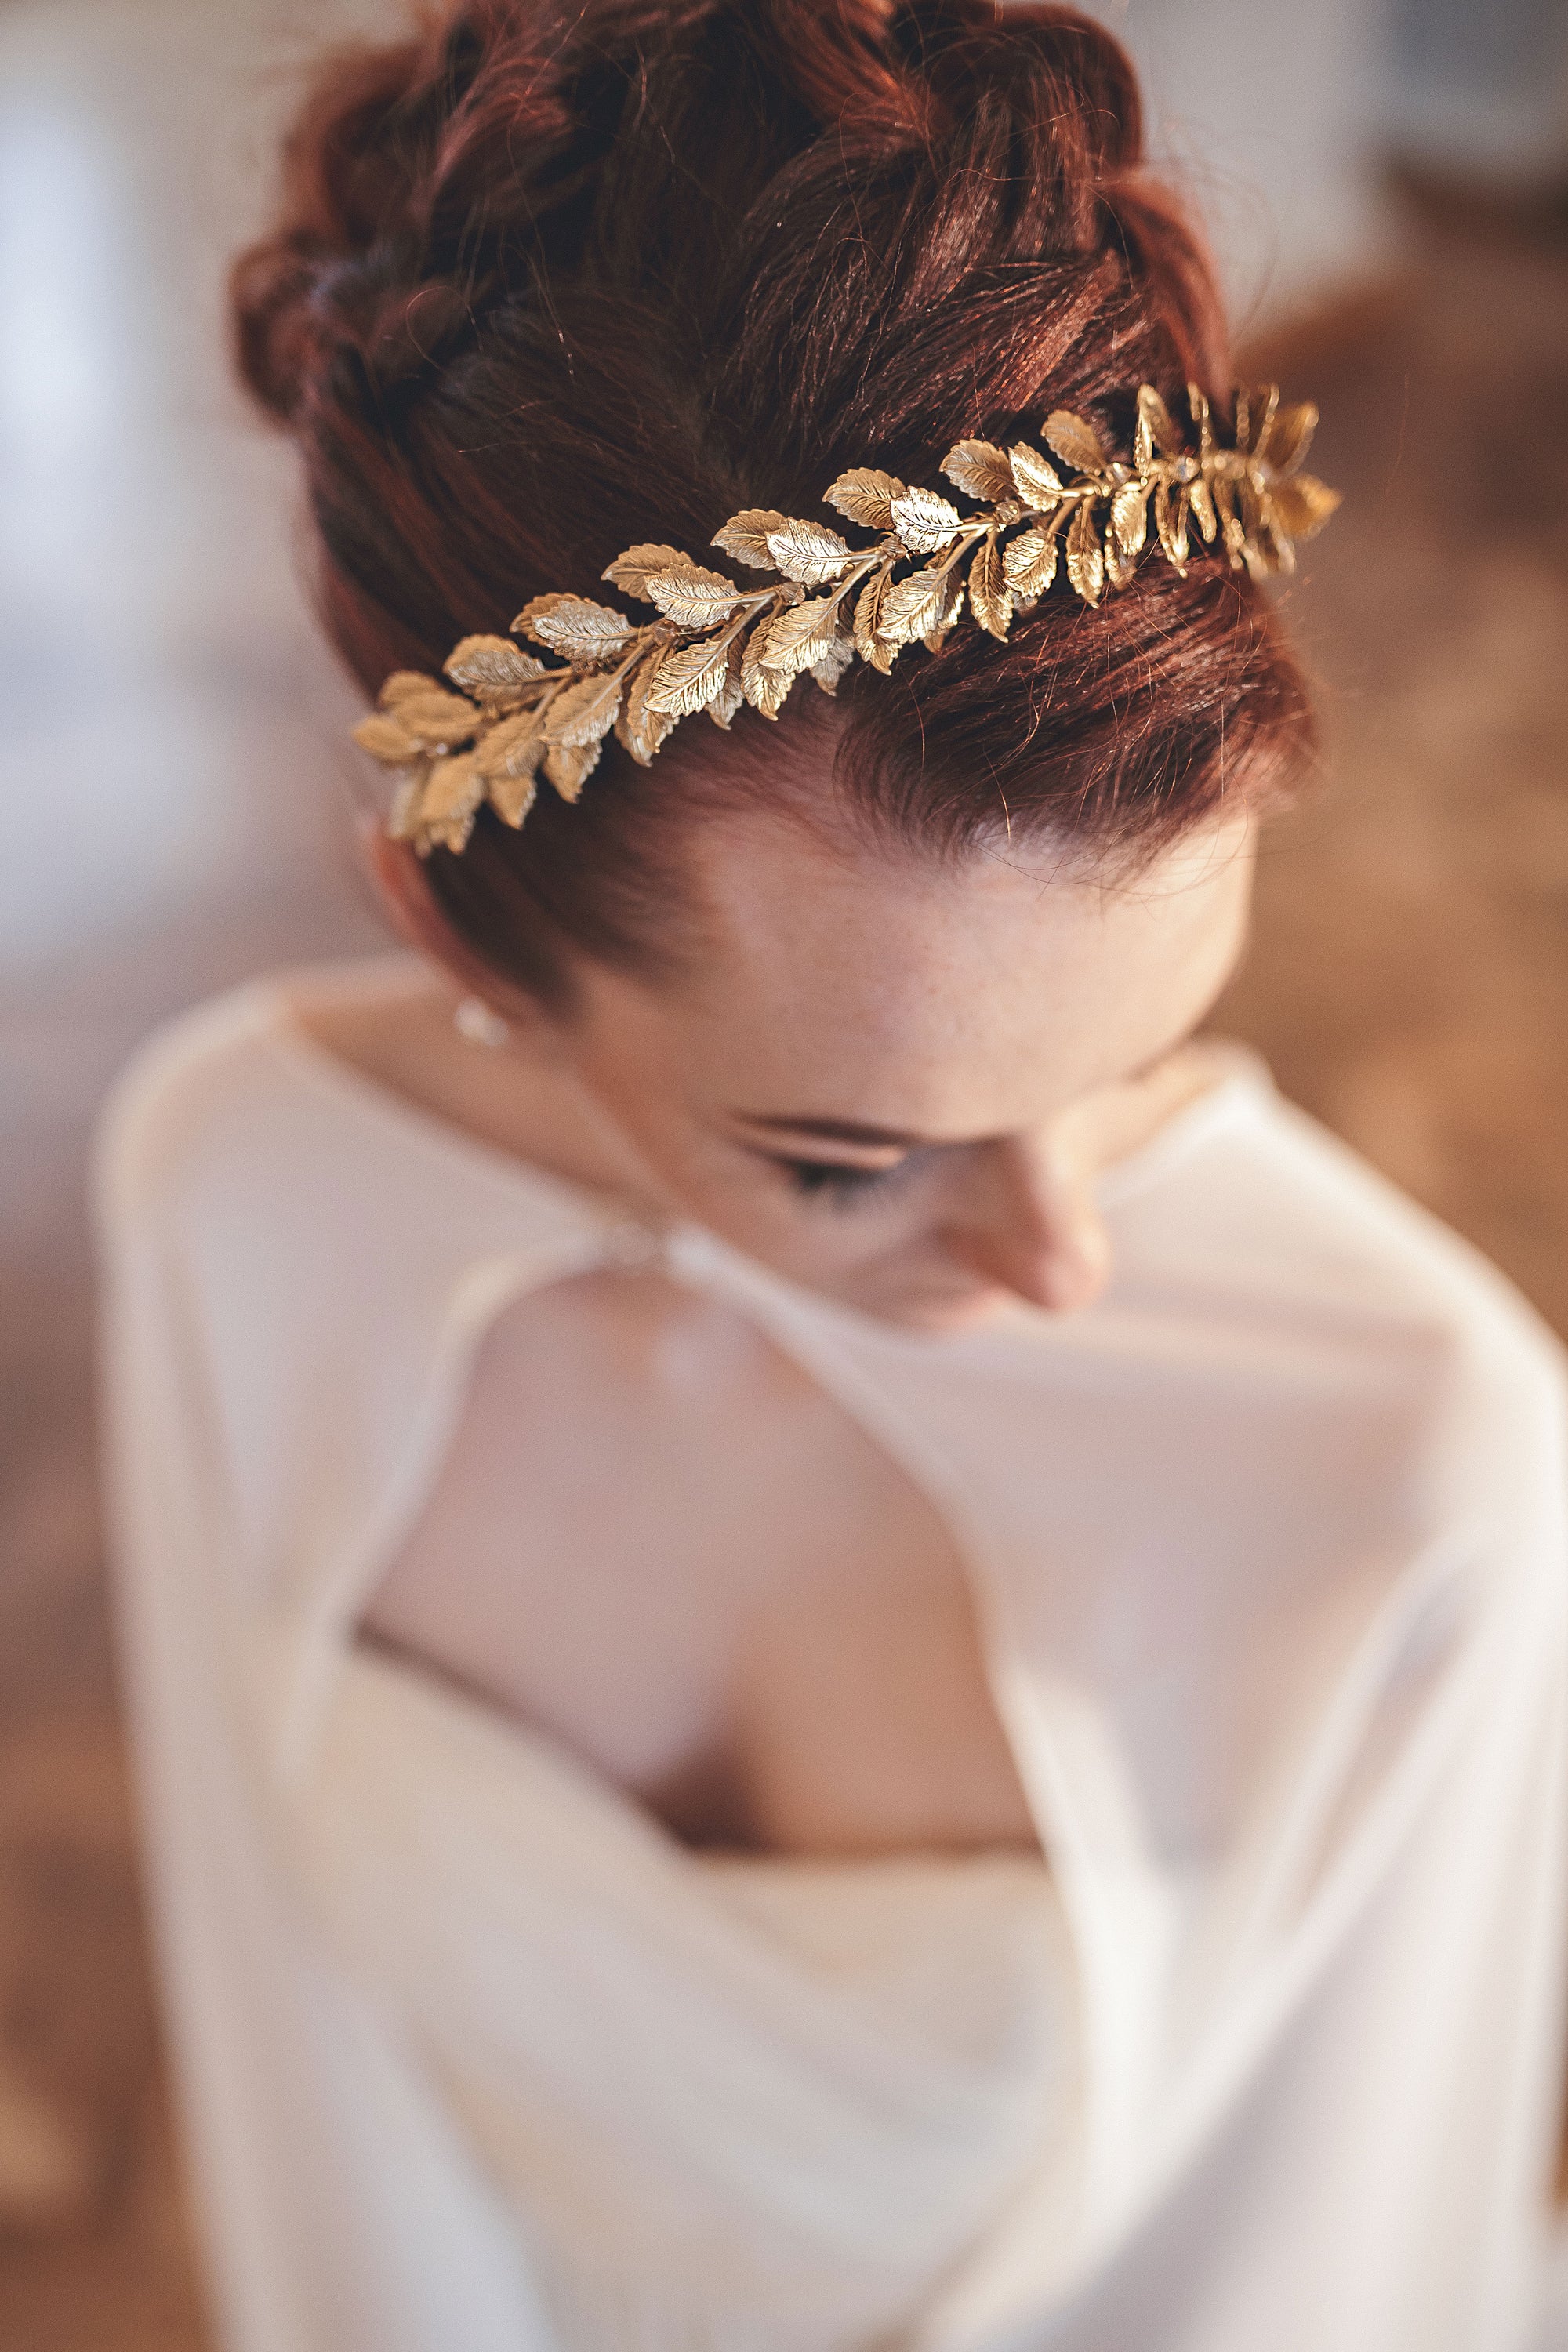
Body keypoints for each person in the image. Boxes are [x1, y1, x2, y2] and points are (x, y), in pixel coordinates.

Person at [94, 4, 1568, 2348]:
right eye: (854, 1160)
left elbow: (1317, 2280)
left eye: (1134, 1071)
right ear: (458, 927)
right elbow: (307, 2099)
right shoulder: (241, 1202)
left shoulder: (1415, 1463)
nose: (1061, 1256)